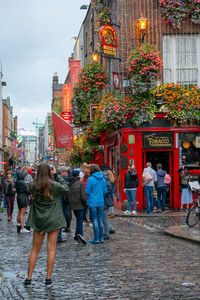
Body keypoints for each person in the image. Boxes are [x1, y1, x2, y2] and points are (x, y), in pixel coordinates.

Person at [23, 163, 69, 287]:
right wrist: (58, 175)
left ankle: (29, 278)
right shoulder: (55, 185)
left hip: (39, 219)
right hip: (53, 219)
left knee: (35, 249)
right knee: (52, 249)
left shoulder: (34, 185)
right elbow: (66, 188)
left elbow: (29, 187)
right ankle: (48, 279)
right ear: (50, 172)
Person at [86, 164, 107, 244]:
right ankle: (101, 238)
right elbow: (105, 191)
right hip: (101, 201)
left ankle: (96, 238)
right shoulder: (103, 179)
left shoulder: (90, 179)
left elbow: (87, 191)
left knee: (94, 219)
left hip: (92, 202)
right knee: (100, 219)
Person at [68, 169, 87, 245]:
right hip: (79, 204)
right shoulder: (80, 183)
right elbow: (83, 196)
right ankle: (79, 235)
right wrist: (86, 203)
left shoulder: (69, 183)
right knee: (80, 220)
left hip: (72, 204)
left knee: (78, 219)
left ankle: (77, 236)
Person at [57, 166, 71, 243]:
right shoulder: (61, 180)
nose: (67, 173)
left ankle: (58, 236)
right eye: (65, 172)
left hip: (61, 200)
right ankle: (58, 237)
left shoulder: (60, 179)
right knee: (61, 218)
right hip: (62, 200)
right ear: (62, 172)